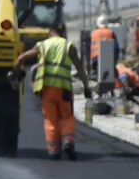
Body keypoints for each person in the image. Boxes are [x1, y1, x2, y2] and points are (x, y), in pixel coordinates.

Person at [15, 20, 91, 160]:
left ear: (50, 32)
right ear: (62, 32)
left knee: (50, 119)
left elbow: (21, 58)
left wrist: (16, 71)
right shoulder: (68, 46)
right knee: (66, 116)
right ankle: (68, 141)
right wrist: (86, 87)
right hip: (64, 89)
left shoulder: (43, 45)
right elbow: (80, 68)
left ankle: (54, 150)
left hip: (47, 89)